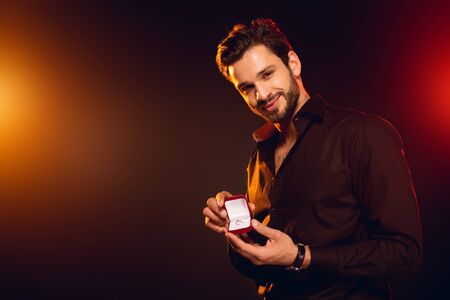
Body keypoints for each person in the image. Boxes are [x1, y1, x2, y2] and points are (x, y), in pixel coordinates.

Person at [202, 18, 422, 299]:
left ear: (293, 63)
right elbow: (265, 265)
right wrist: (238, 234)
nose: (262, 95)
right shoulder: (259, 158)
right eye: (247, 88)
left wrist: (300, 256)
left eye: (267, 74)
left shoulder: (363, 134)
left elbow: (405, 254)